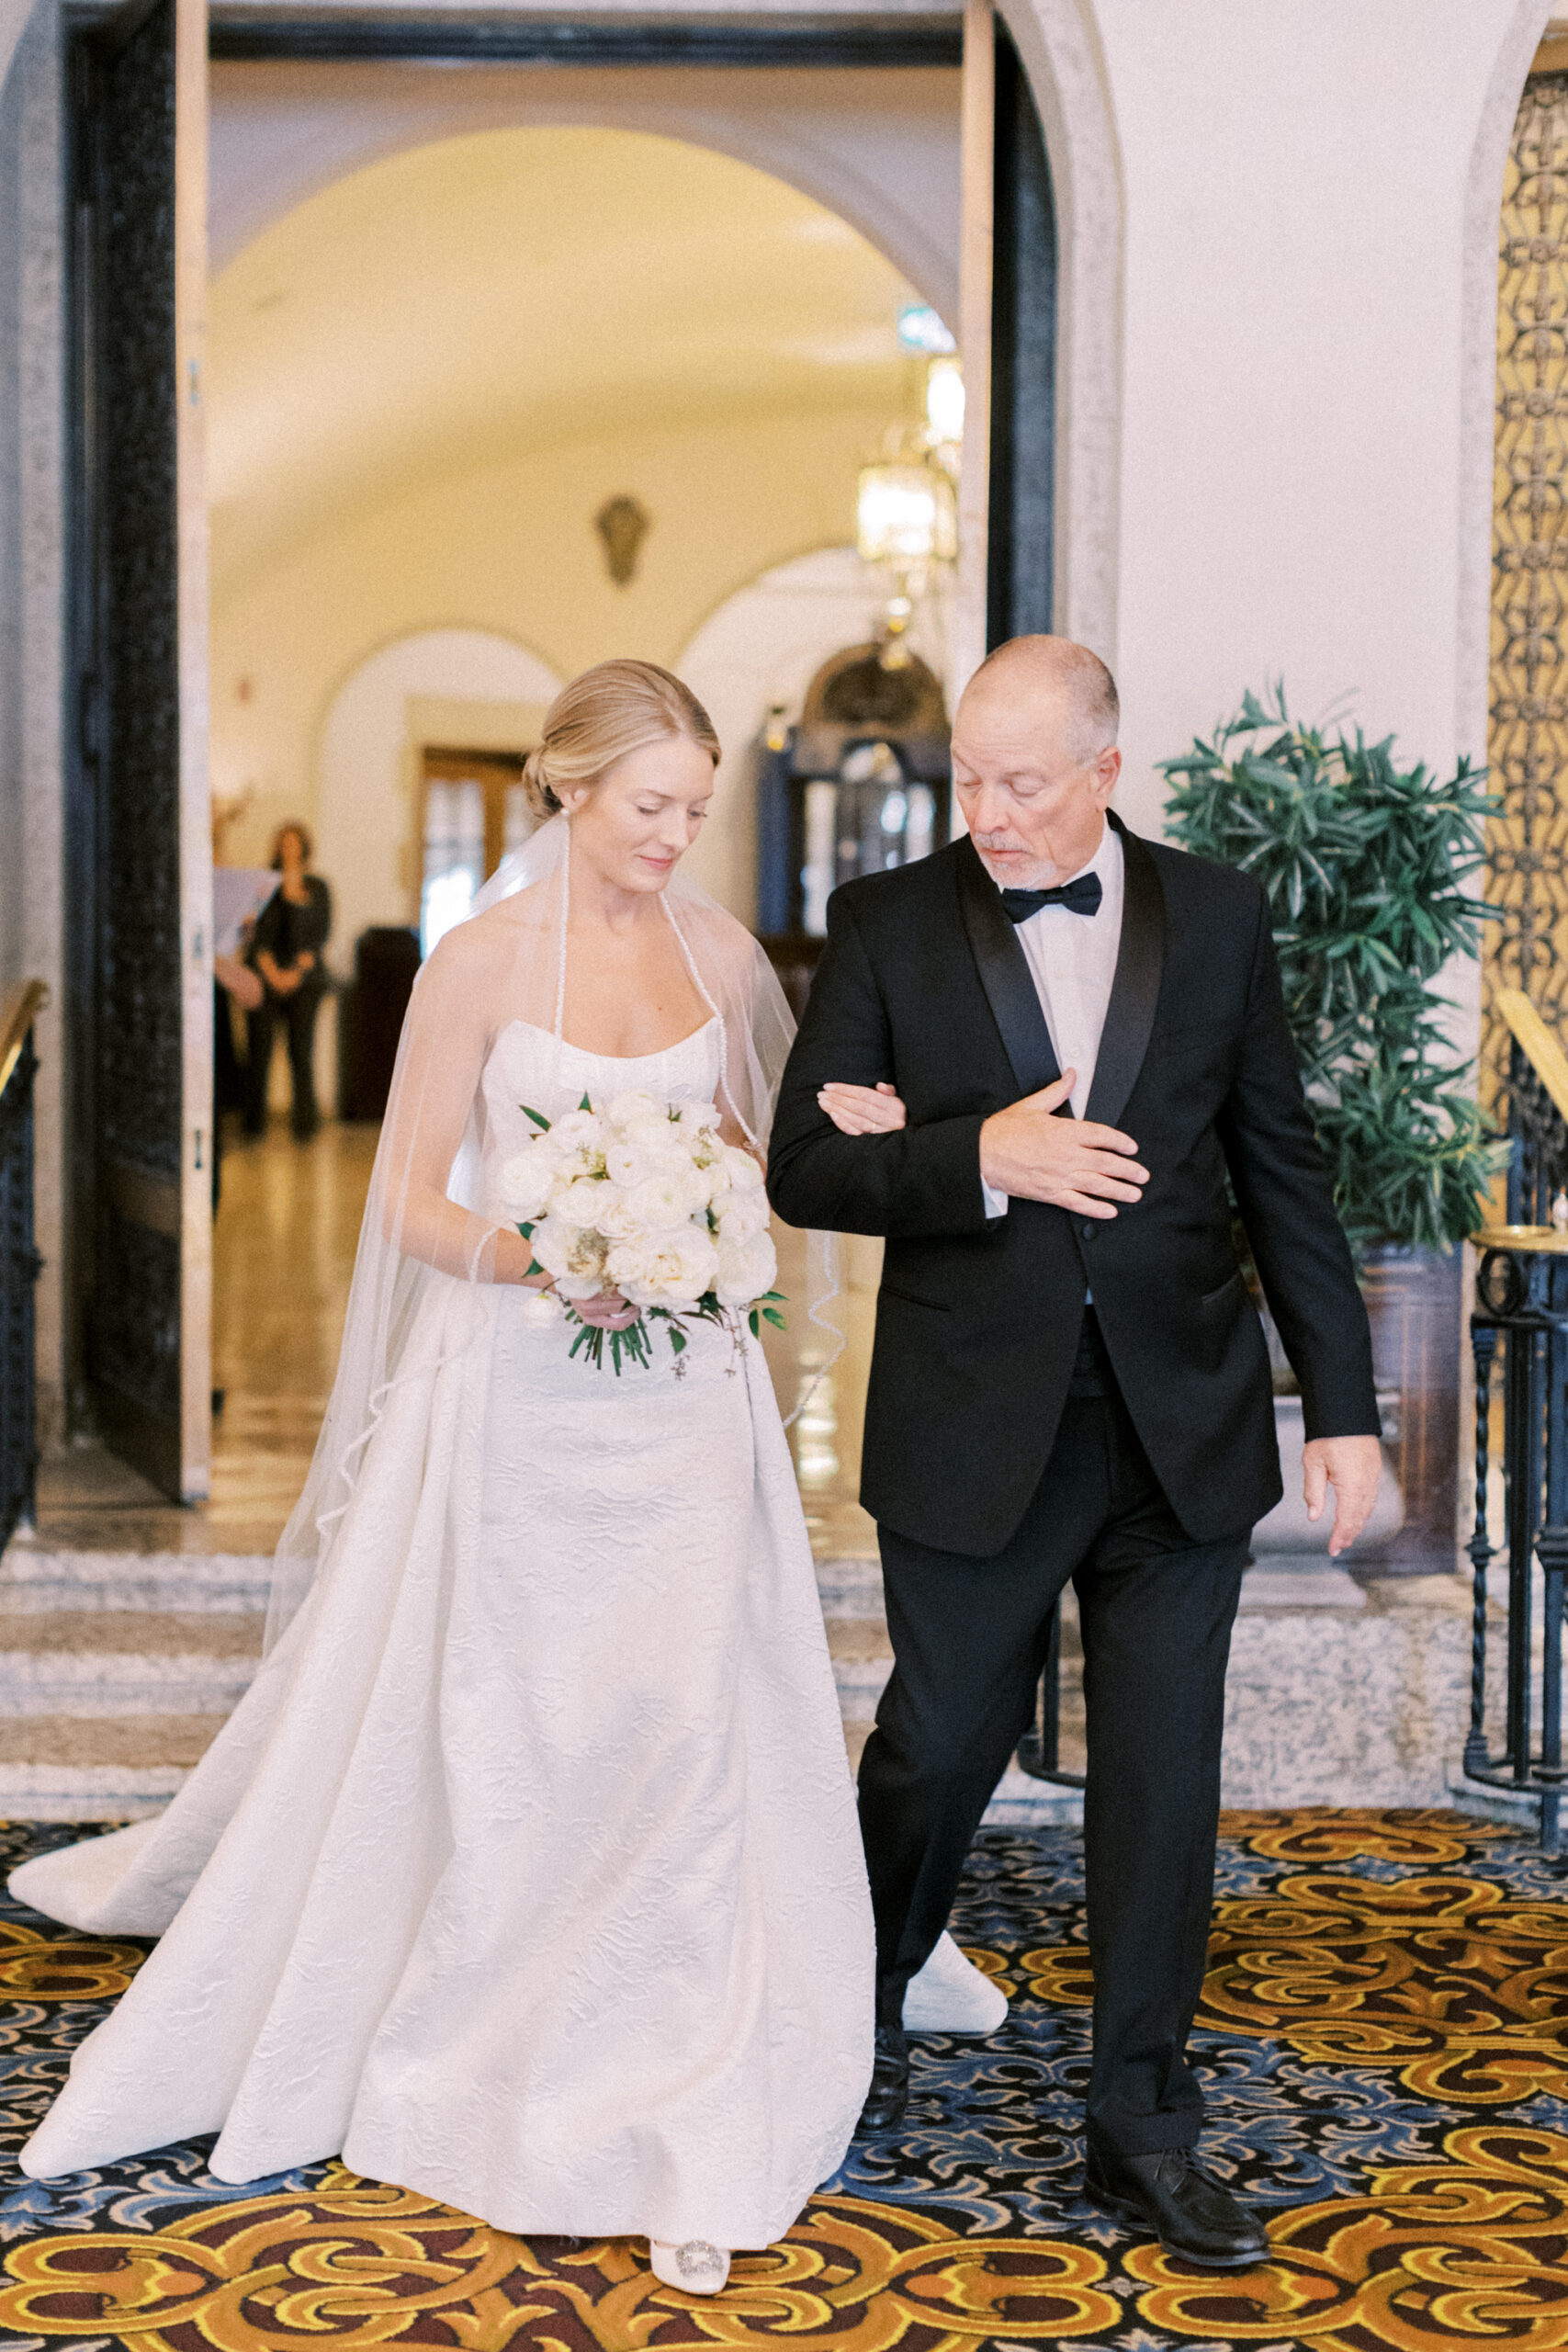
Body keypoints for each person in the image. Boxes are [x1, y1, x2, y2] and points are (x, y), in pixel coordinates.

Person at [11, 662, 874, 2293]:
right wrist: (546, 1253)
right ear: (569, 788)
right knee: (521, 1717)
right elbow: (402, 1199)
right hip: (521, 1399)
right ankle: (504, 2027)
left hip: (688, 1405)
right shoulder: (476, 965)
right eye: (648, 808)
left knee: (684, 1722)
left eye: (693, 810)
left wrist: (732, 1213)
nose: (674, 839)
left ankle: (682, 2076)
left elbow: (765, 1163)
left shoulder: (722, 953)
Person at [770, 634, 1382, 2271]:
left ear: (1107, 771)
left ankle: (1144, 2126)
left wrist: (1339, 1415)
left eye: (1021, 781)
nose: (988, 812)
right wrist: (984, 1157)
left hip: (1177, 1428)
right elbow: (800, 1170)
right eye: (967, 776)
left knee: (1165, 1782)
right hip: (975, 1427)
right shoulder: (888, 922)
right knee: (936, 1744)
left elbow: (1282, 1174)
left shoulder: (1220, 917)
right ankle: (850, 2010)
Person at [243, 820, 333, 1139]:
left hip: (305, 982)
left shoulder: (318, 888)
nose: (289, 850)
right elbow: (256, 935)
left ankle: (306, 1126)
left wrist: (295, 973)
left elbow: (316, 935)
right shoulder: (262, 885)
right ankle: (253, 1125)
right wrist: (272, 974)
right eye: (285, 844)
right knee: (259, 1054)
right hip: (264, 978)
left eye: (295, 844)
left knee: (301, 1052)